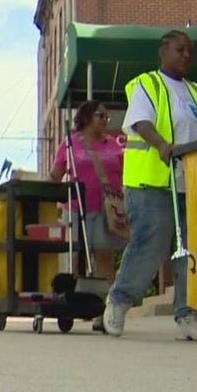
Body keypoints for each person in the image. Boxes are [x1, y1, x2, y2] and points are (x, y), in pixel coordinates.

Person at [102, 30, 197, 341]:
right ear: (163, 51)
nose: (186, 56)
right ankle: (119, 300)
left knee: (190, 251)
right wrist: (162, 144)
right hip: (151, 182)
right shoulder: (147, 84)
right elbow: (141, 122)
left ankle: (187, 314)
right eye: (180, 50)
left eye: (190, 51)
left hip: (189, 184)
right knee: (150, 245)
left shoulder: (196, 92)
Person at [49, 101, 127, 288]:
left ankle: (106, 299)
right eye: (100, 116)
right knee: (76, 258)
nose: (105, 120)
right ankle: (75, 297)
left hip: (106, 210)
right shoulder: (70, 144)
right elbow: (55, 176)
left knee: (105, 257)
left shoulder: (113, 144)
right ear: (86, 117)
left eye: (107, 117)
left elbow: (125, 174)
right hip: (76, 210)